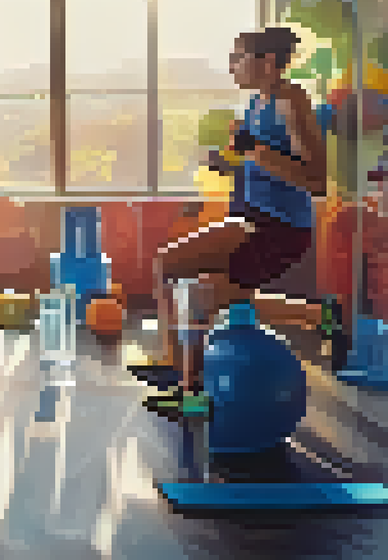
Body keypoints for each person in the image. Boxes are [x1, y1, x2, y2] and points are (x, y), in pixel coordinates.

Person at [136, 24, 328, 415]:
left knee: (195, 292)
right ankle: (321, 316)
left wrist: (253, 150)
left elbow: (316, 179)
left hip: (278, 228)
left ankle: (187, 389)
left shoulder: (292, 100)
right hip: (250, 217)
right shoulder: (257, 102)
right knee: (188, 278)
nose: (231, 66)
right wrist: (229, 164)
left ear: (268, 62)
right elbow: (262, 163)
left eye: (238, 58)